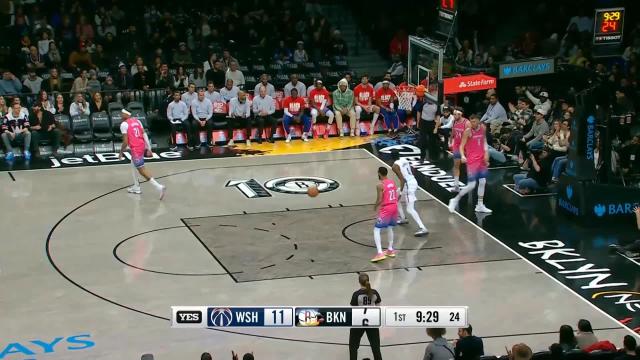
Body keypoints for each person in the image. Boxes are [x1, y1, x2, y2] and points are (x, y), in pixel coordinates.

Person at [448, 114, 492, 214]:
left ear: (478, 121)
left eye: (474, 121)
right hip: (472, 161)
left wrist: (486, 153)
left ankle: (479, 205)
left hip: (481, 159)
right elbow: (461, 146)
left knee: (482, 181)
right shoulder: (468, 131)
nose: (472, 123)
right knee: (471, 185)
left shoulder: (483, 128)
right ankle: (455, 200)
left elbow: (484, 141)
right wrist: (463, 156)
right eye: (471, 121)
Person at [118, 109, 166, 199]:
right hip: (141, 145)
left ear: (126, 114)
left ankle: (159, 187)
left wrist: (121, 153)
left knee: (142, 170)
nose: (121, 115)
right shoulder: (137, 121)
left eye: (122, 113)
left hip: (135, 149)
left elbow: (125, 142)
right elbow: (144, 135)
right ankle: (136, 187)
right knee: (133, 165)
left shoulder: (124, 125)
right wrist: (149, 147)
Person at [391, 151, 428, 236]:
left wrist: (401, 193)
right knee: (395, 197)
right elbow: (412, 170)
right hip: (413, 181)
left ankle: (423, 228)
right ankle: (403, 218)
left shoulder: (394, 166)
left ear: (391, 158)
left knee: (410, 209)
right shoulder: (404, 160)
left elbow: (402, 180)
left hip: (408, 185)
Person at [348, 273, 382, 360]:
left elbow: (353, 310)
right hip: (372, 322)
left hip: (359, 322)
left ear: (359, 282)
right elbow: (379, 308)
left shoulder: (356, 294)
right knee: (375, 347)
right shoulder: (374, 293)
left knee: (353, 346)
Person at [372, 167, 399, 262]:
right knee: (390, 227)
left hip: (386, 208)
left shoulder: (380, 185)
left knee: (376, 229)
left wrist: (375, 206)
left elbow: (379, 199)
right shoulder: (392, 182)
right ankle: (390, 249)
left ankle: (379, 253)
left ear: (379, 173)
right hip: (395, 206)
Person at [450, 108, 469, 192]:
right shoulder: (454, 121)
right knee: (456, 165)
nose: (454, 116)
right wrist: (450, 140)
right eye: (453, 114)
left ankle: (471, 185)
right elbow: (453, 132)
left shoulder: (467, 123)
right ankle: (456, 185)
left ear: (460, 114)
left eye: (455, 114)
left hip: (466, 147)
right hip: (457, 146)